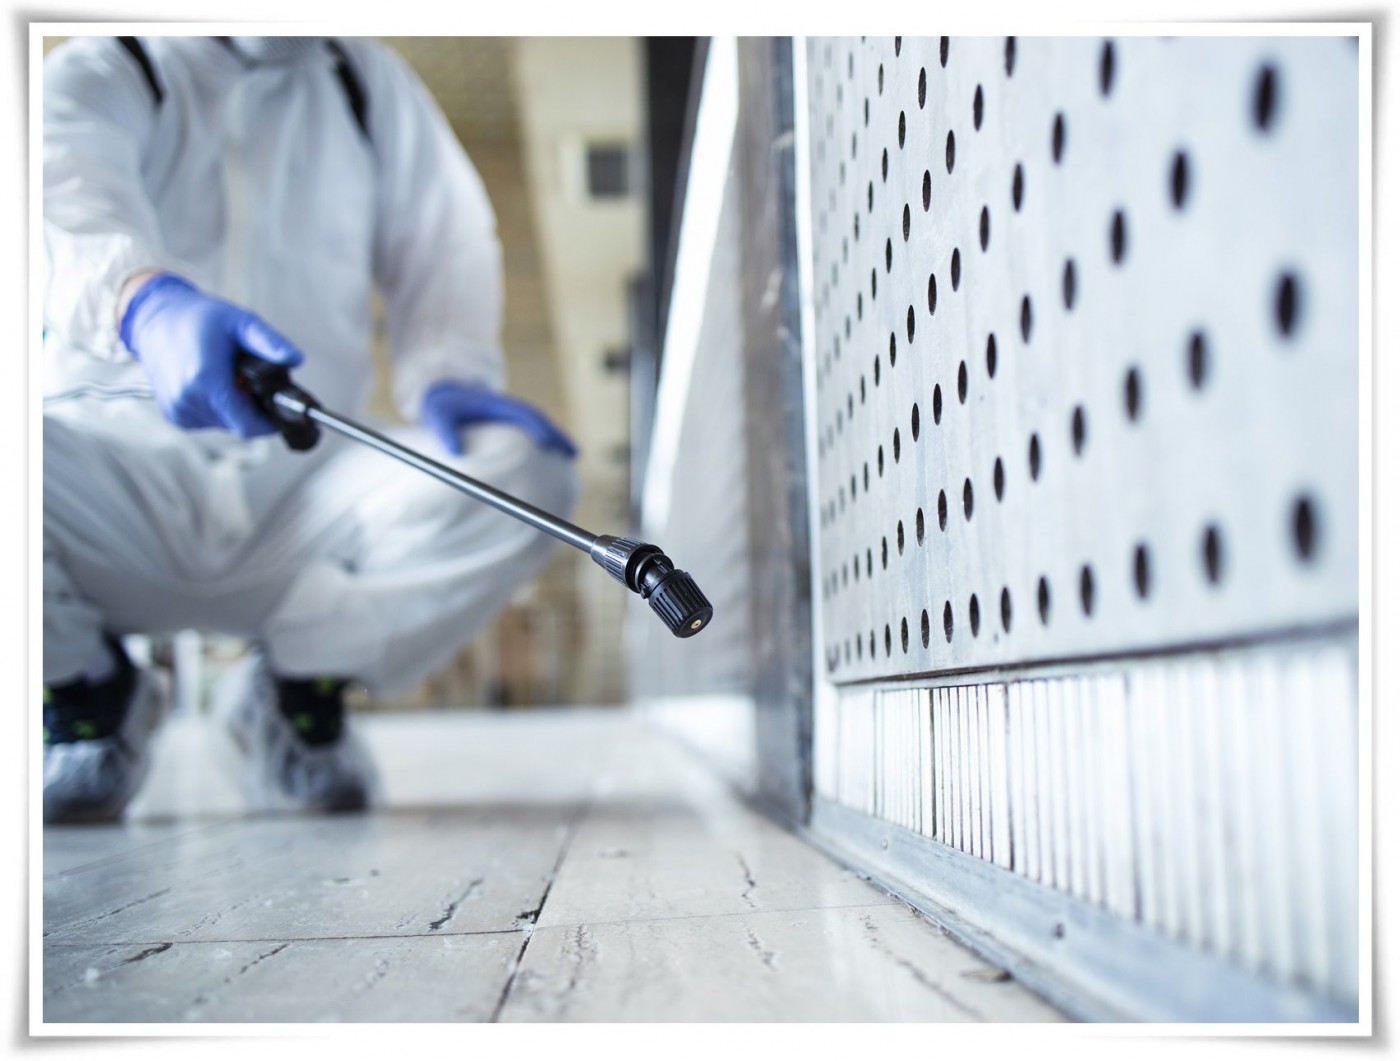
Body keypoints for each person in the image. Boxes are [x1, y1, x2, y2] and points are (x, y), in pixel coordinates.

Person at [42, 35, 578, 822]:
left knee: (524, 471)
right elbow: (58, 189)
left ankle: (297, 689)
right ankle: (84, 686)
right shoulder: (109, 63)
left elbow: (444, 234)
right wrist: (142, 302)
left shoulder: (365, 85)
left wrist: (449, 369)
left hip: (306, 487)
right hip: (112, 484)